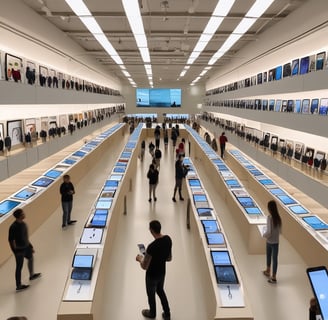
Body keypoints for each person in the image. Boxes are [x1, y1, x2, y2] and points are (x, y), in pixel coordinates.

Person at [136, 220, 172, 320]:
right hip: (162, 273)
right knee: (160, 290)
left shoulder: (151, 247)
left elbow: (144, 266)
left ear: (151, 230)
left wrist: (140, 259)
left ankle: (152, 313)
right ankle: (167, 313)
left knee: (151, 294)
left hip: (151, 276)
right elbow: (169, 258)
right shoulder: (168, 239)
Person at [8, 208, 41, 291]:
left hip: (26, 247)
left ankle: (31, 275)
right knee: (19, 267)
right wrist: (15, 251)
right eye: (23, 214)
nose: (24, 214)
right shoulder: (13, 227)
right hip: (19, 250)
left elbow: (25, 237)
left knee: (31, 258)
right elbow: (11, 240)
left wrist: (30, 246)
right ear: (19, 216)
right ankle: (18, 285)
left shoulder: (23, 224)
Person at [262, 200, 282, 284]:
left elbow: (269, 231)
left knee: (269, 256)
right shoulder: (278, 218)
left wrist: (264, 235)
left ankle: (268, 271)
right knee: (275, 259)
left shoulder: (269, 218)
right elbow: (280, 231)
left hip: (269, 241)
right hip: (276, 242)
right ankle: (274, 276)